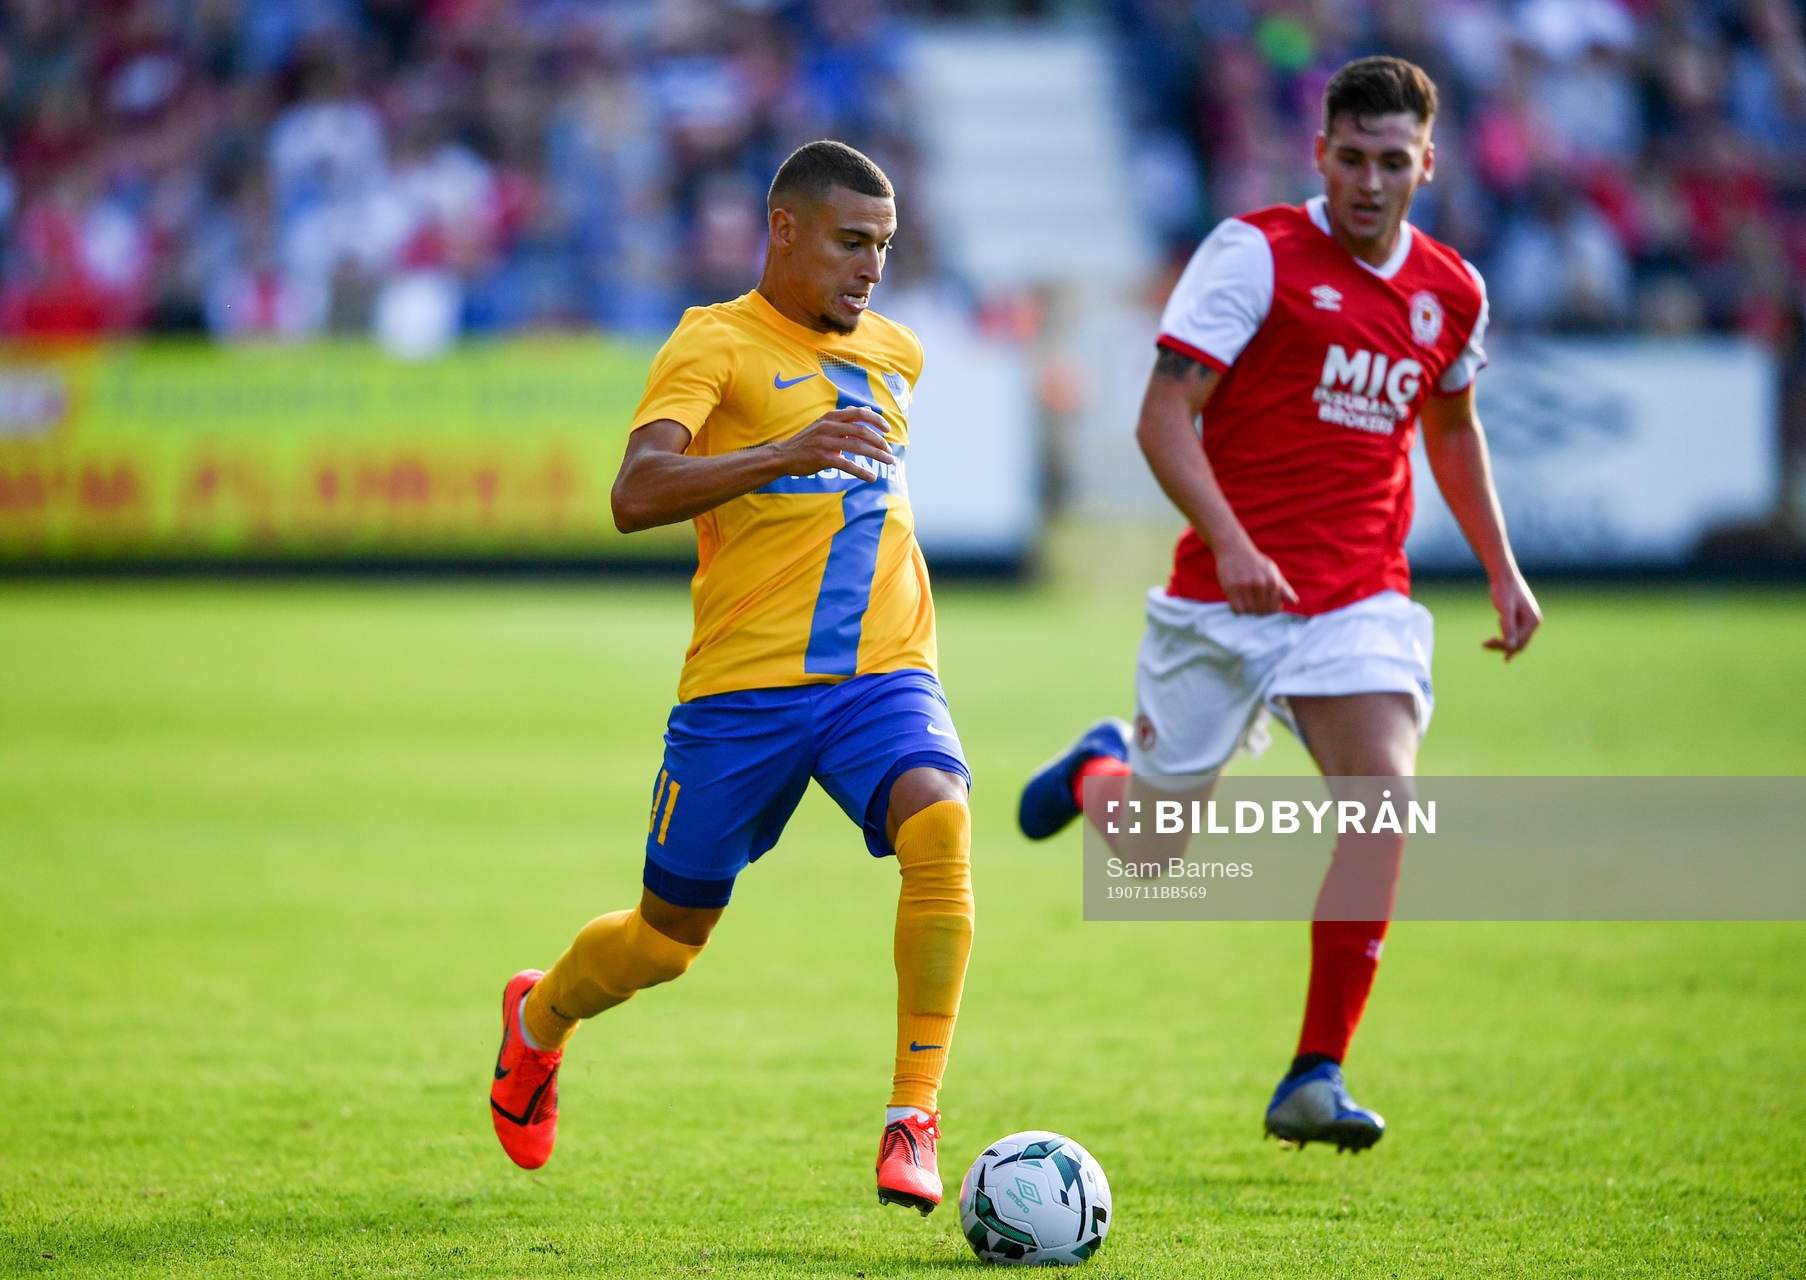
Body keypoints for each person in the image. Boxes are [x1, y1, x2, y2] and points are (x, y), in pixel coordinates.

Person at [1018, 56, 1541, 1152]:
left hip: (1357, 597)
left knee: (1383, 801)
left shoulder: (1453, 290)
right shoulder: (1252, 254)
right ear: (1320, 155)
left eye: (1392, 162)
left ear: (1427, 164)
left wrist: (1500, 563)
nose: (1368, 182)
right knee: (1154, 850)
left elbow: (1451, 427)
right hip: (1223, 599)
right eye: (1350, 159)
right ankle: (1098, 767)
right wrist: (1234, 540)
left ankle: (1316, 1069)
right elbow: (1165, 418)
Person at [489, 141, 974, 1215]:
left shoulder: (898, 352)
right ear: (786, 231)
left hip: (880, 673)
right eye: (852, 242)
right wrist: (778, 453)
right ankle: (541, 1019)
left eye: (884, 247)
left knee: (940, 819)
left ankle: (913, 1115)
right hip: (741, 693)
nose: (871, 268)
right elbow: (635, 491)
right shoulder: (713, 341)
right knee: (666, 942)